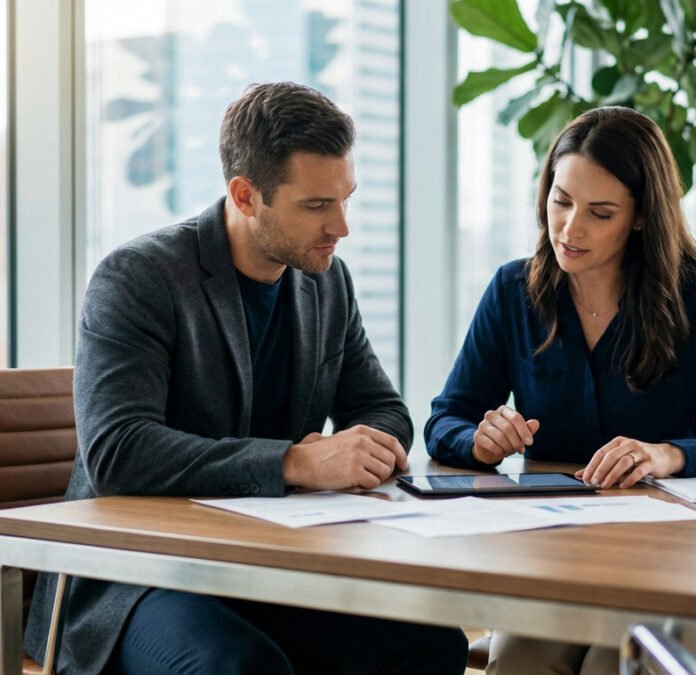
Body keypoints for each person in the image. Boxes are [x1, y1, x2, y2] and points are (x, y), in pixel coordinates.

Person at [24, 82, 469, 675]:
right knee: (242, 668)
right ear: (245, 194)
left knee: (432, 644)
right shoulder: (139, 277)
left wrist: (358, 446)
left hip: (267, 563)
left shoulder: (326, 282)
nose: (341, 226)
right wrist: (293, 462)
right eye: (315, 206)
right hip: (137, 575)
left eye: (345, 199)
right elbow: (116, 452)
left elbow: (384, 408)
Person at [424, 106, 696, 674]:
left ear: (640, 218)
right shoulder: (512, 292)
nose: (570, 229)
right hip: (553, 555)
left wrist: (670, 455)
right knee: (519, 662)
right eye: (561, 200)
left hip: (669, 560)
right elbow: (446, 419)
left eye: (600, 213)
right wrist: (479, 440)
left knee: (609, 664)